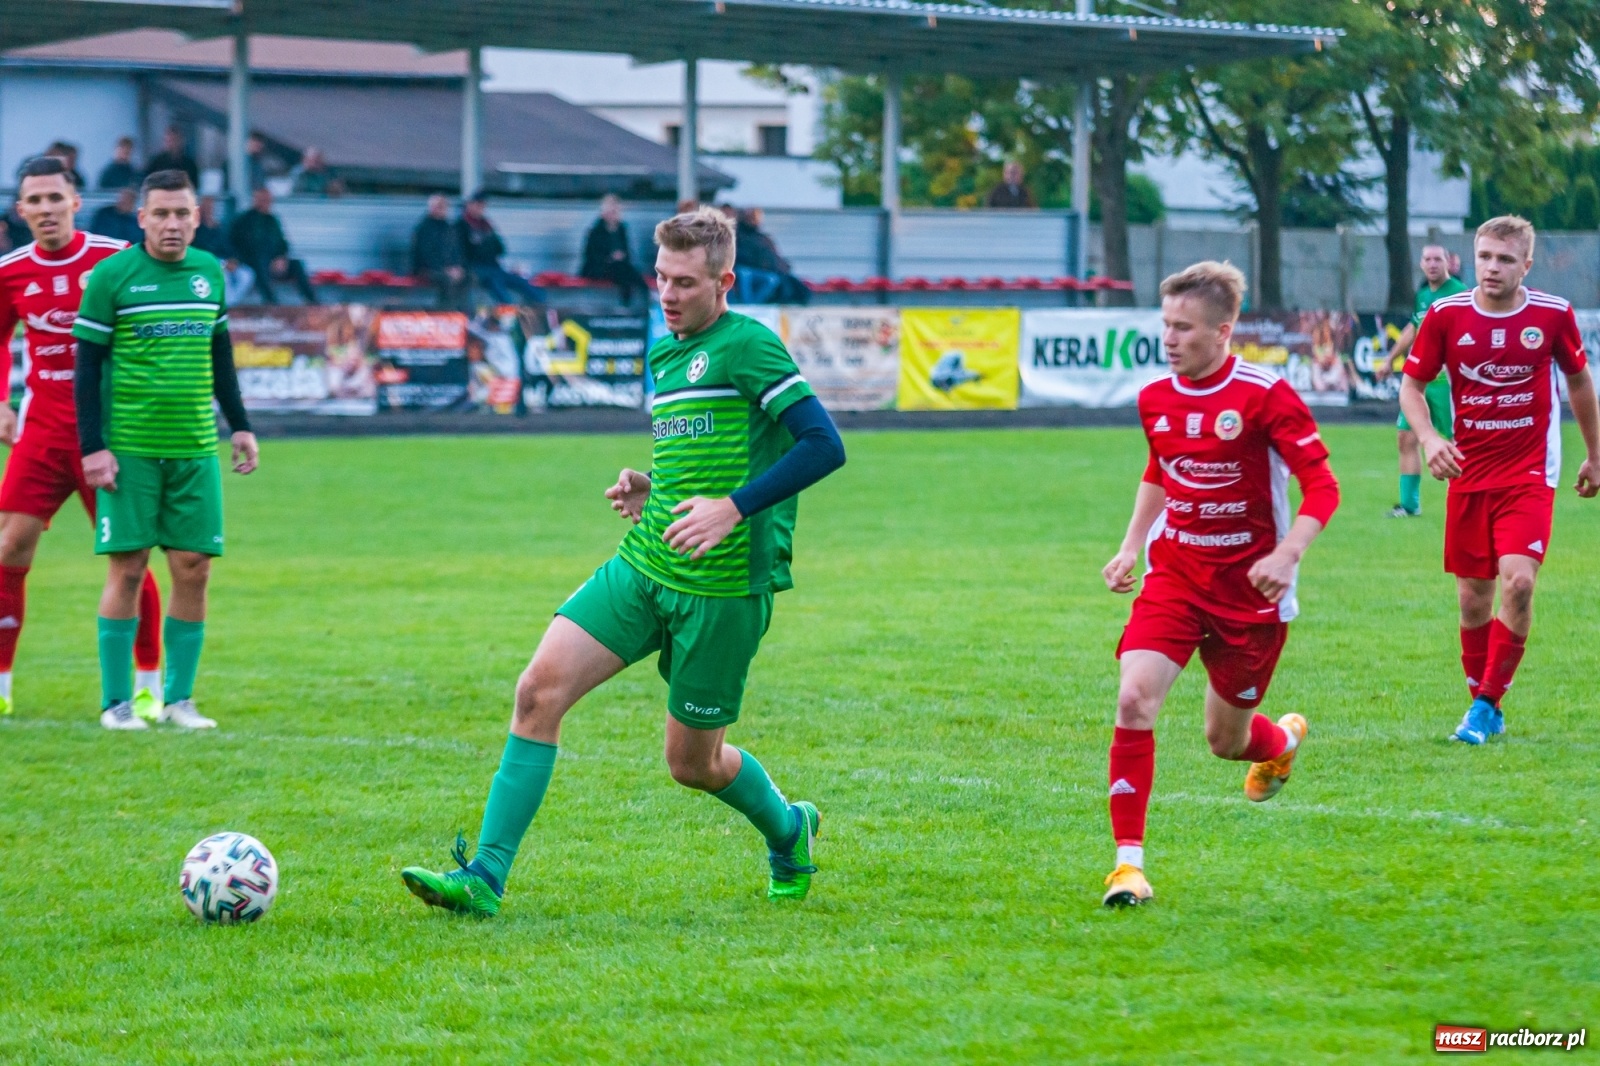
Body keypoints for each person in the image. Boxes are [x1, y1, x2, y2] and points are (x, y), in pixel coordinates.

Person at [400, 207, 847, 917]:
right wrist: (652, 487)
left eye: (686, 283)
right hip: (645, 566)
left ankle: (788, 828)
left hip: (725, 591)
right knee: (536, 692)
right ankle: (484, 877)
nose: (668, 295)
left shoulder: (750, 347)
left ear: (725, 280)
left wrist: (732, 507)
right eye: (661, 279)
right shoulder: (666, 351)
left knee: (692, 765)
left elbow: (824, 445)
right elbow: (701, 451)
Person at [1099, 260, 1340, 908]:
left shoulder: (1266, 396)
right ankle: (1127, 869)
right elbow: (1160, 469)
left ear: (1224, 330)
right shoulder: (1155, 399)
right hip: (1174, 577)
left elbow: (1324, 486)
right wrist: (1129, 547)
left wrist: (1288, 554)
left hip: (1251, 595)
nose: (1170, 339)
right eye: (1165, 325)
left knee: (1224, 741)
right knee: (1133, 702)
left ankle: (1281, 742)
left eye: (1184, 328)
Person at [1400, 215, 1600, 746]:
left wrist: (1595, 456)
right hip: (1469, 474)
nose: (1493, 267)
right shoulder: (1445, 315)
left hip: (1529, 474)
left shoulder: (1552, 316)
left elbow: (1579, 383)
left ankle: (1486, 706)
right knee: (1472, 600)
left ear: (1526, 266)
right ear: (1474, 257)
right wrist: (1430, 438)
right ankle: (1482, 700)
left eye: (1505, 259)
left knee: (1519, 581)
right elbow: (1412, 387)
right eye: (1485, 256)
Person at [72, 169, 259, 731]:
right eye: (162, 214)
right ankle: (116, 703)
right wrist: (93, 447)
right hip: (130, 448)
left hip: (196, 447)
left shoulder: (209, 274)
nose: (172, 224)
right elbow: (86, 368)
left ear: (197, 218)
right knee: (128, 569)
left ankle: (179, 700)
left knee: (194, 567)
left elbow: (220, 354)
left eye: (183, 214)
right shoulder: (111, 277)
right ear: (142, 218)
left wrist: (241, 426)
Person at [0, 156, 165, 721]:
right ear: (21, 211)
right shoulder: (11, 270)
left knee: (129, 559)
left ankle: (148, 684)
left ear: (75, 201)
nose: (45, 209)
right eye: (34, 201)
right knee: (8, 549)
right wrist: (3, 400)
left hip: (109, 437)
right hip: (43, 432)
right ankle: (0, 684)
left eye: (55, 198)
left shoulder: (116, 261)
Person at [1383, 245, 1467, 517]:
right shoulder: (1422, 295)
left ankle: (1469, 498)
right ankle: (1409, 506)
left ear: (1448, 262)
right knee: (1406, 437)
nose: (1432, 264)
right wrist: (1390, 359)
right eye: (1427, 259)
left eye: (1437, 259)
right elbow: (1414, 327)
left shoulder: (1460, 293)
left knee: (1461, 439)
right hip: (1420, 381)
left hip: (1446, 380)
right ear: (1421, 264)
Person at [228, 187, 318, 305]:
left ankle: (312, 301)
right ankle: (270, 302)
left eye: (269, 201)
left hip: (274, 261)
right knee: (260, 262)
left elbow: (282, 243)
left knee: (297, 264)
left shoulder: (272, 220)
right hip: (252, 261)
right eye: (264, 200)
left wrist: (281, 257)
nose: (267, 204)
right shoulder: (243, 220)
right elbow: (234, 243)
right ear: (256, 200)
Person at [457, 193, 542, 305]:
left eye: (483, 205)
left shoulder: (486, 225)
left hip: (494, 268)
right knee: (497, 282)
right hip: (476, 269)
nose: (481, 208)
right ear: (469, 205)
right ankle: (509, 310)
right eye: (478, 205)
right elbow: (464, 252)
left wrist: (485, 244)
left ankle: (544, 306)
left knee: (521, 281)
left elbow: (500, 248)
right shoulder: (461, 225)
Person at [578, 194, 645, 305]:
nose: (613, 214)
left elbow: (628, 252)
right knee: (621, 270)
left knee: (629, 271)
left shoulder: (622, 229)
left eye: (615, 211)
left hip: (619, 266)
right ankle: (627, 301)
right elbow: (590, 256)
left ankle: (644, 298)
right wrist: (610, 258)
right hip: (597, 268)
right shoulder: (595, 231)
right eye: (611, 211)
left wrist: (620, 256)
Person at [192, 196, 255, 305]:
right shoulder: (196, 230)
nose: (209, 210)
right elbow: (200, 251)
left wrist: (234, 260)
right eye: (207, 207)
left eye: (211, 207)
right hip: (209, 262)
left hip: (225, 261)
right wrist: (224, 264)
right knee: (224, 276)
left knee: (247, 274)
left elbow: (229, 248)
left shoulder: (219, 228)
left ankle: (233, 303)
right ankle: (226, 306)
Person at [410, 194, 466, 308]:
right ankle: (444, 312)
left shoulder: (449, 228)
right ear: (432, 208)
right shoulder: (424, 229)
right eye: (439, 207)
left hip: (447, 268)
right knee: (446, 280)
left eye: (444, 207)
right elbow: (425, 255)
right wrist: (445, 269)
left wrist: (458, 266)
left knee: (468, 277)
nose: (442, 210)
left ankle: (463, 312)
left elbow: (457, 251)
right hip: (426, 269)